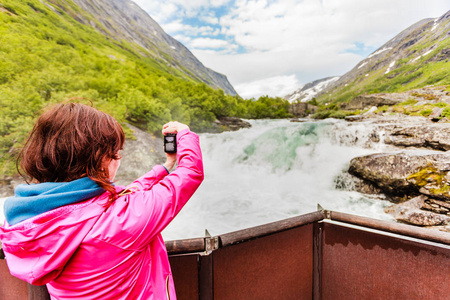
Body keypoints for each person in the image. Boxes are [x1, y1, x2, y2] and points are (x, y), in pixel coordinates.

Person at [0, 102, 204, 299]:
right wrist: (185, 133)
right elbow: (190, 173)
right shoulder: (120, 220)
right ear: (97, 160)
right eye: (115, 153)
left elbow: (123, 197)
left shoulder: (32, 220)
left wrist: (166, 166)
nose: (119, 158)